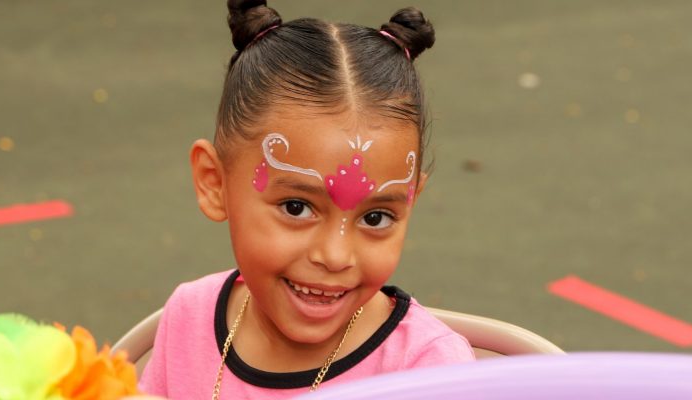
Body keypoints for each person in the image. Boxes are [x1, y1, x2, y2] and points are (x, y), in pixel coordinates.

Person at [139, 1, 475, 398]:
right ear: (215, 183)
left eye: (377, 217)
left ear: (411, 200)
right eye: (296, 208)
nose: (335, 256)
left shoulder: (427, 373)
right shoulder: (188, 316)